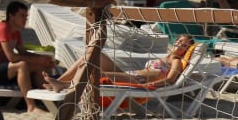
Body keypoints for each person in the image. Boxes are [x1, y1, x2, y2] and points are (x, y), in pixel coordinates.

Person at [44, 35, 195, 91]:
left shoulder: (176, 61)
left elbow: (171, 79)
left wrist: (151, 85)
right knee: (91, 54)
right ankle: (58, 81)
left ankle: (65, 85)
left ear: (185, 51)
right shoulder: (165, 57)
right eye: (179, 41)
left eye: (184, 45)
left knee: (95, 72)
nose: (180, 45)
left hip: (139, 80)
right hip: (129, 74)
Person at [0, 0, 55, 113]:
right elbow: (12, 57)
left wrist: (43, 59)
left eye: (26, 16)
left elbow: (23, 52)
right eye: (22, 16)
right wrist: (37, 59)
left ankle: (45, 101)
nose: (25, 19)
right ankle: (31, 106)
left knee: (38, 66)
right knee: (22, 65)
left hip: (6, 68)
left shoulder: (16, 31)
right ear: (11, 16)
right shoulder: (3, 28)